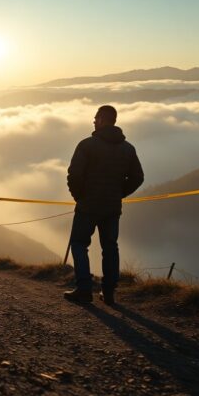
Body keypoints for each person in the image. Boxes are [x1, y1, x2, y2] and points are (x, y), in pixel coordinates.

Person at [65, 105, 144, 305]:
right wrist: (118, 193)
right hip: (112, 207)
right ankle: (108, 293)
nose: (93, 121)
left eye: (95, 118)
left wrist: (79, 196)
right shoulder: (128, 149)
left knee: (79, 244)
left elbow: (74, 175)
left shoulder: (87, 145)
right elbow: (137, 177)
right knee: (110, 247)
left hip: (88, 206)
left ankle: (84, 289)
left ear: (101, 120)